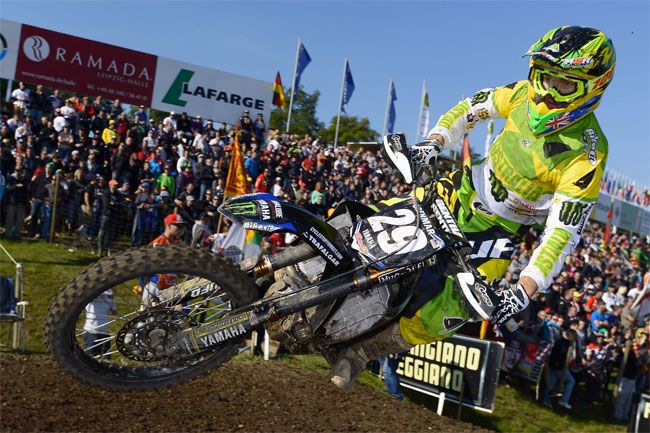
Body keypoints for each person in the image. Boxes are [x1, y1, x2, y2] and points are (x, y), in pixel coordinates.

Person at [327, 26, 616, 390]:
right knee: (366, 220)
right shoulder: (521, 93)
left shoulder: (588, 154)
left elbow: (562, 232)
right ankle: (295, 264)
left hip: (500, 232)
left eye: (564, 84)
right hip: (462, 189)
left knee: (451, 313)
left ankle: (361, 353)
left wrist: (524, 289)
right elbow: (470, 109)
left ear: (592, 87)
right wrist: (432, 143)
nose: (547, 92)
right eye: (545, 77)